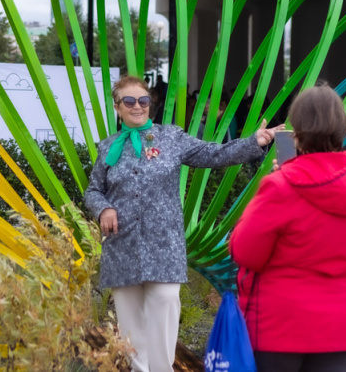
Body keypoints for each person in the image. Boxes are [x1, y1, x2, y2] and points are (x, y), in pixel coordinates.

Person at [84, 75, 282, 372]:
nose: (137, 106)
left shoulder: (171, 137)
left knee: (165, 304)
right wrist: (103, 209)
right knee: (131, 328)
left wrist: (255, 141)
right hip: (122, 247)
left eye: (143, 100)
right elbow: (93, 190)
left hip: (164, 246)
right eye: (129, 101)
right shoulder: (107, 148)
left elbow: (214, 153)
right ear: (117, 107)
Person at [229, 86, 346, 372]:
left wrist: (270, 190)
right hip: (343, 327)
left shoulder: (280, 185)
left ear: (297, 130)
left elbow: (246, 252)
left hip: (280, 326)